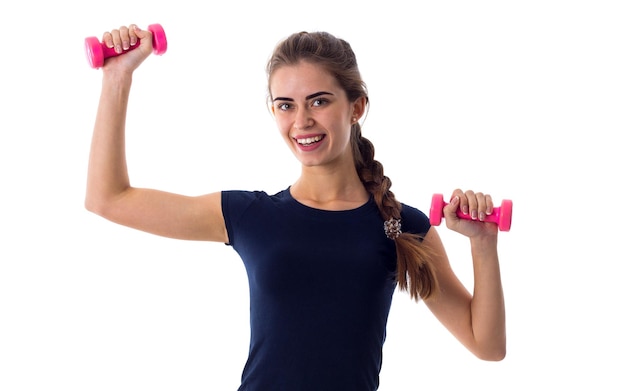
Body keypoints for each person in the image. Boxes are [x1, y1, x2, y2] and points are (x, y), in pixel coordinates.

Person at [85, 24, 506, 391]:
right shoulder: (250, 217)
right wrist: (117, 77)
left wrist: (482, 244)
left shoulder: (399, 224)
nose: (301, 120)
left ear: (356, 107)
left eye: (319, 101)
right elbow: (109, 199)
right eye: (285, 105)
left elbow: (486, 345)